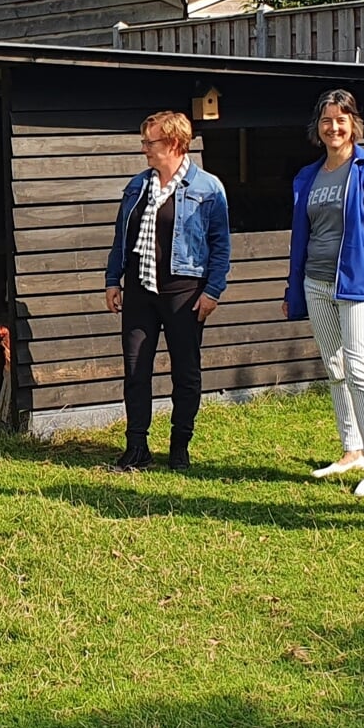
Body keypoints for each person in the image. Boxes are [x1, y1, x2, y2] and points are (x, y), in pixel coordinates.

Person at [281, 90, 364, 497]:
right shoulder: (308, 176)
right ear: (317, 128)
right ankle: (350, 450)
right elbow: (303, 236)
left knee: (360, 368)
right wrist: (293, 287)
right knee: (335, 368)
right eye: (326, 121)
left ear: (353, 124)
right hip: (316, 284)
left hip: (359, 287)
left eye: (341, 119)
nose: (333, 127)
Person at [103, 111, 231, 471]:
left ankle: (179, 448)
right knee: (135, 369)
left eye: (150, 142)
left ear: (174, 143)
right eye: (144, 141)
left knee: (185, 372)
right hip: (140, 291)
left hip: (184, 293)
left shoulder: (208, 188)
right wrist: (114, 280)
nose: (144, 149)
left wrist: (213, 291)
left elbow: (221, 246)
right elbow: (121, 239)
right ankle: (137, 446)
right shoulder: (137, 186)